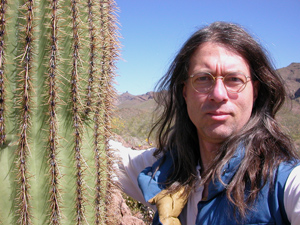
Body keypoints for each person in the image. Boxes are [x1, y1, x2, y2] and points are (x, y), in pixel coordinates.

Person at [112, 21, 300, 225]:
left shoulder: (285, 184)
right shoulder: (163, 170)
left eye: (234, 79)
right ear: (185, 92)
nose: (218, 94)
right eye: (203, 78)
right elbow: (95, 153)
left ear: (254, 91)